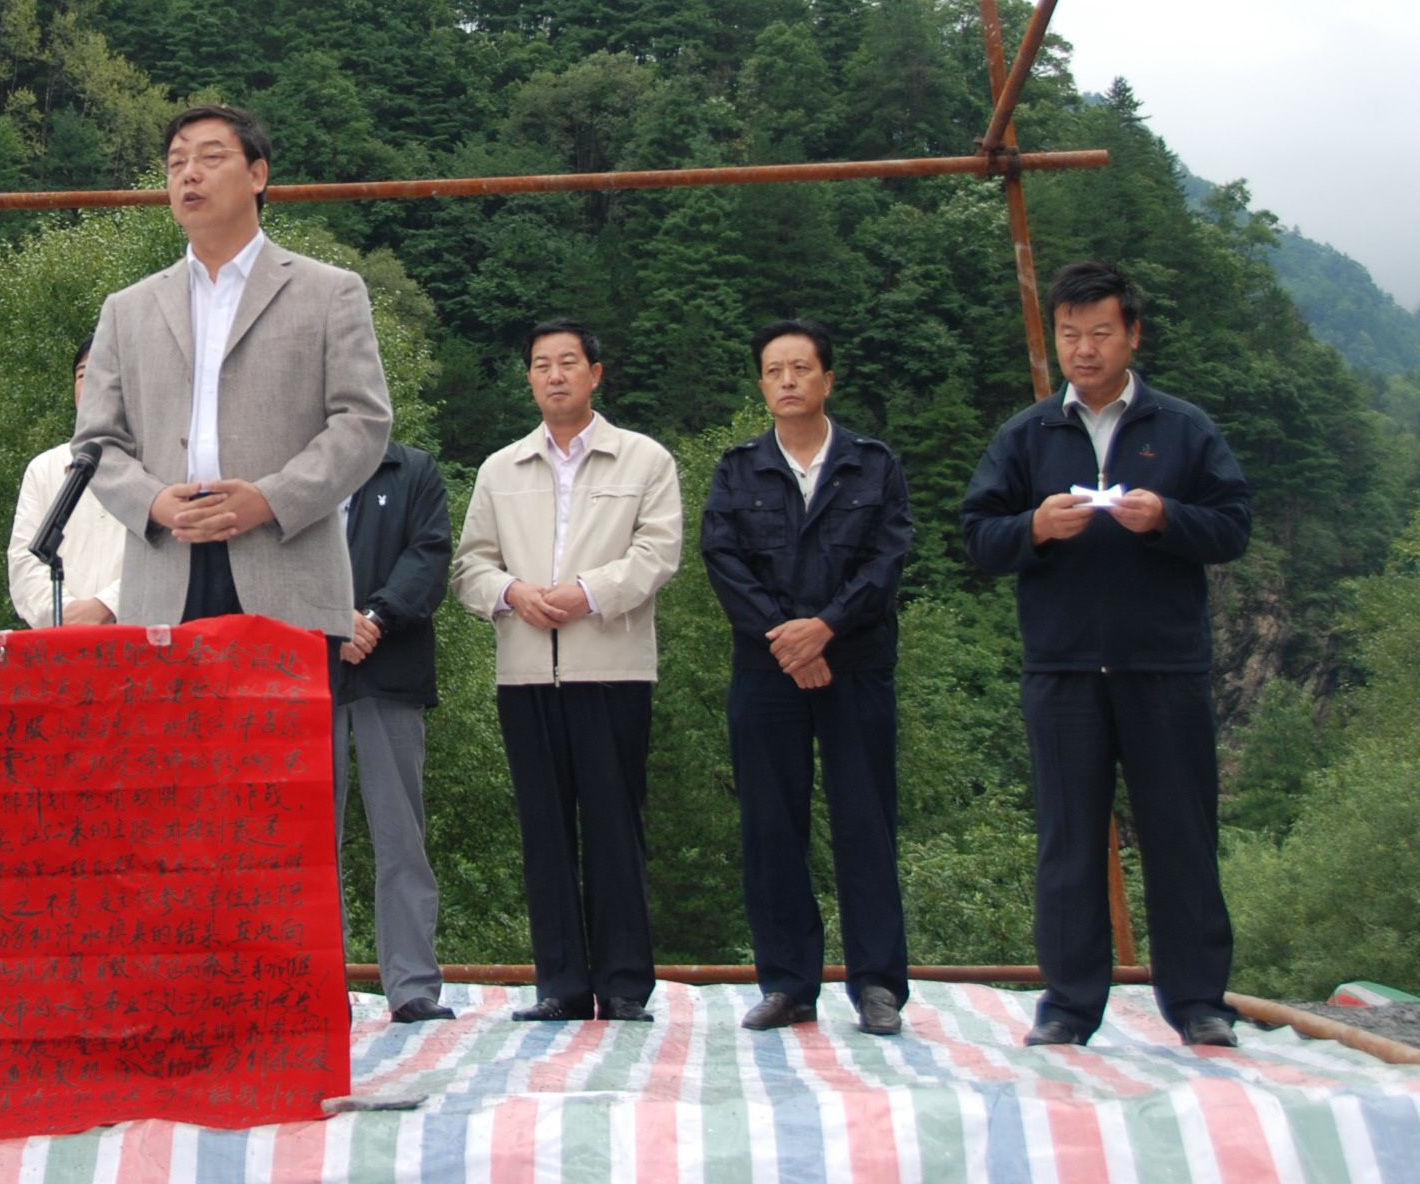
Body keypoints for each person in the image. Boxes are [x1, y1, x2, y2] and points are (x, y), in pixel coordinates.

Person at [963, 260, 1253, 1049]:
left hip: (1164, 667)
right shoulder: (1029, 434)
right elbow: (978, 536)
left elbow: (1233, 525)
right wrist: (1033, 529)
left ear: (1132, 336)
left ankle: (1198, 1002)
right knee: (1069, 840)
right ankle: (1068, 1003)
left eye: (1099, 333)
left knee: (1180, 836)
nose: (1083, 349)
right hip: (1062, 669)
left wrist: (1167, 518)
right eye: (1070, 334)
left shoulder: (1182, 428)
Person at [74, 103, 391, 632]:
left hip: (288, 573)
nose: (189, 174)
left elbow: (363, 423)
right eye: (176, 163)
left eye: (210, 157)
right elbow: (95, 442)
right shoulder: (126, 309)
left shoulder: (329, 292)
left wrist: (270, 499)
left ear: (257, 175)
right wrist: (154, 503)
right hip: (164, 577)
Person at [450, 320, 683, 1023]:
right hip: (525, 672)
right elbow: (469, 566)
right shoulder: (499, 469)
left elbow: (658, 554)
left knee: (615, 826)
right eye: (541, 364)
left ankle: (624, 984)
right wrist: (512, 593)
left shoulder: (644, 459)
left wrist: (588, 593)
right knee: (544, 831)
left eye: (569, 363)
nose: (555, 375)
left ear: (595, 374)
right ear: (528, 378)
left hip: (613, 668)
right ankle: (560, 984)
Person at [699, 319, 914, 1038]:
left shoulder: (873, 464)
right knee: (771, 826)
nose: (787, 380)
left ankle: (877, 984)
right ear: (762, 385)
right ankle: (788, 983)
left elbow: (887, 560)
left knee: (865, 821)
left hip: (856, 665)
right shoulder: (738, 468)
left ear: (828, 378)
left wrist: (824, 628)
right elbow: (723, 560)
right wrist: (788, 639)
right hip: (766, 672)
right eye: (774, 370)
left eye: (800, 368)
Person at [335, 440, 456, 1023]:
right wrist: (327, 621)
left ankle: (411, 985)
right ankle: (315, 979)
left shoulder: (414, 469)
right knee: (308, 837)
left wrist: (374, 617)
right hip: (304, 668)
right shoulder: (290, 465)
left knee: (401, 832)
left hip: (391, 665)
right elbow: (270, 560)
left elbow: (428, 557)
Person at [8, 339, 132, 627]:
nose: (90, 384)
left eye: (102, 372)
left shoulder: (160, 465)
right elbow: (24, 560)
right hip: (60, 641)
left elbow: (169, 556)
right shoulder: (43, 469)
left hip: (139, 636)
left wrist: (106, 606)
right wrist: (63, 613)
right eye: (82, 374)